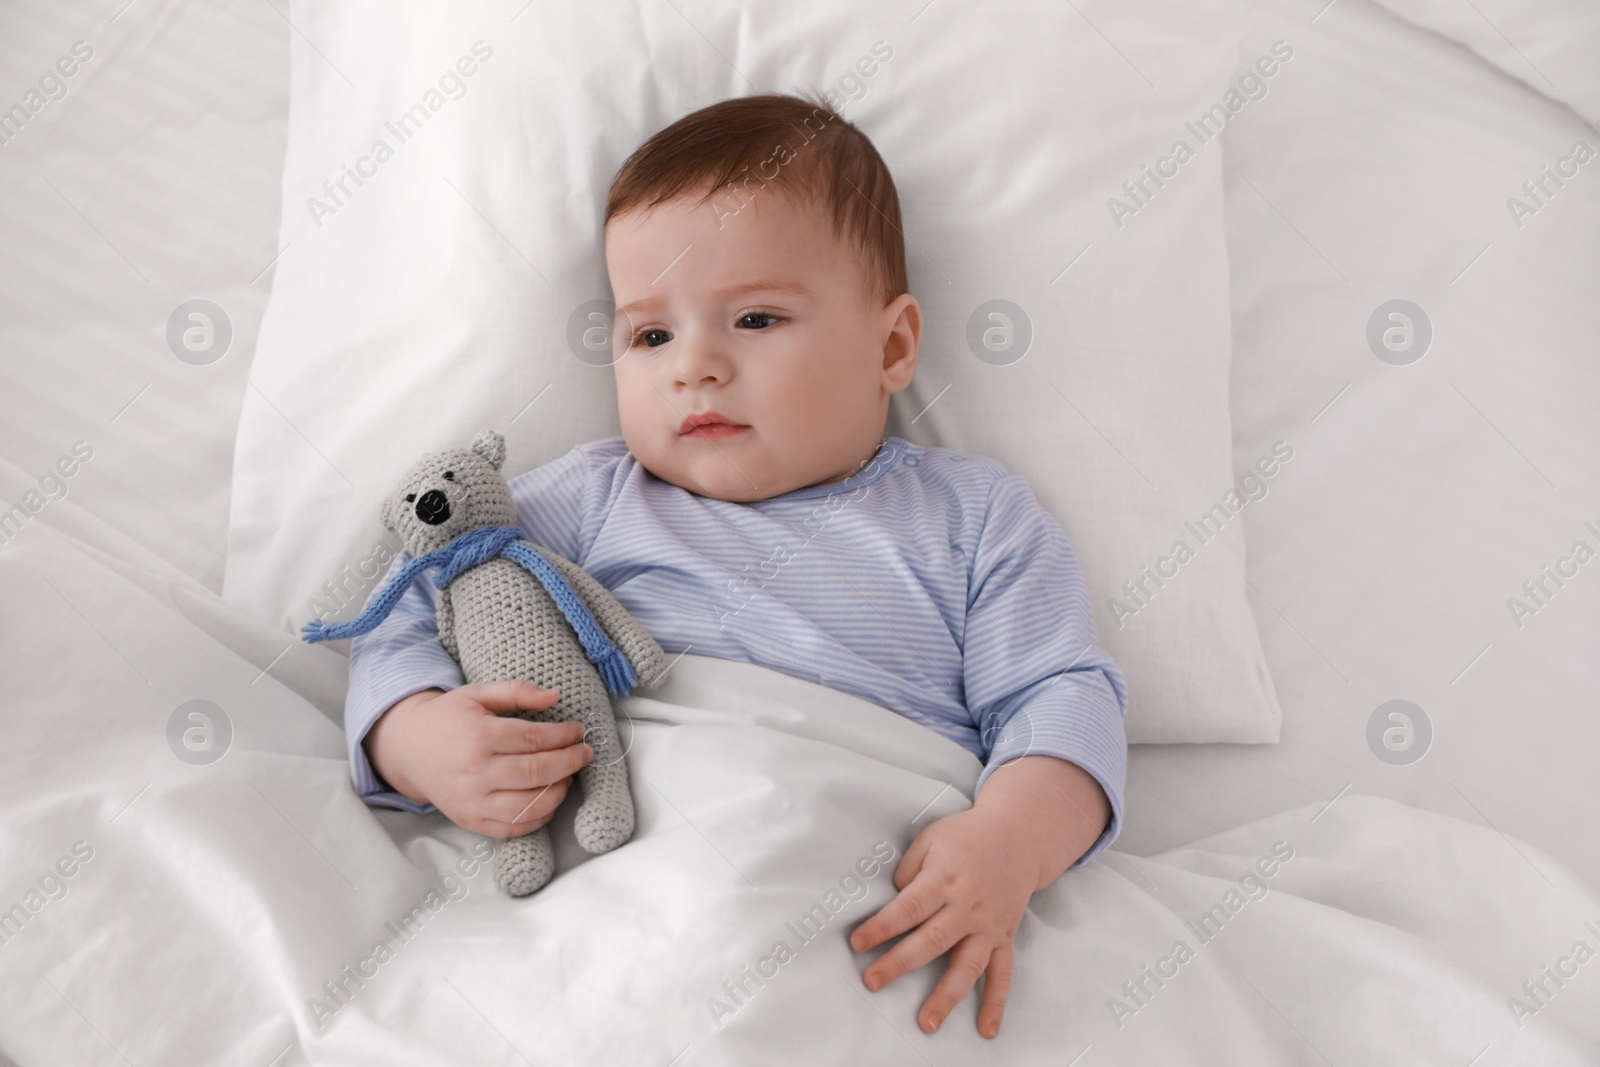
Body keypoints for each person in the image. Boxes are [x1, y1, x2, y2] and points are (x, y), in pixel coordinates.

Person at [348, 92, 1127, 1039]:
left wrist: (1011, 840)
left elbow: (1062, 698)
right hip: (626, 867)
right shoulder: (593, 499)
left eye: (755, 319)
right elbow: (411, 591)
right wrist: (417, 738)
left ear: (892, 345)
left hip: (854, 867)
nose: (695, 366)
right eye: (651, 334)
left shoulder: (974, 519)